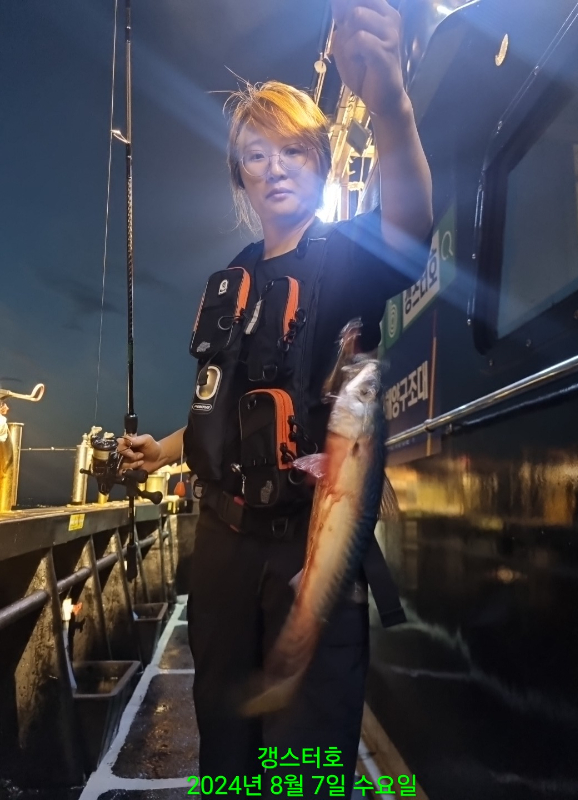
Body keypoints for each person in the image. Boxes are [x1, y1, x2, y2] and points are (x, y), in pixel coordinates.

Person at [119, 0, 432, 795]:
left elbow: (412, 227)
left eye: (294, 150)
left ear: (320, 164)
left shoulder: (347, 260)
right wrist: (159, 451)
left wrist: (391, 105)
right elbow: (226, 408)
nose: (277, 168)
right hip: (221, 551)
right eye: (256, 155)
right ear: (240, 177)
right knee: (226, 749)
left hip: (310, 543)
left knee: (306, 763)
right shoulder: (232, 278)